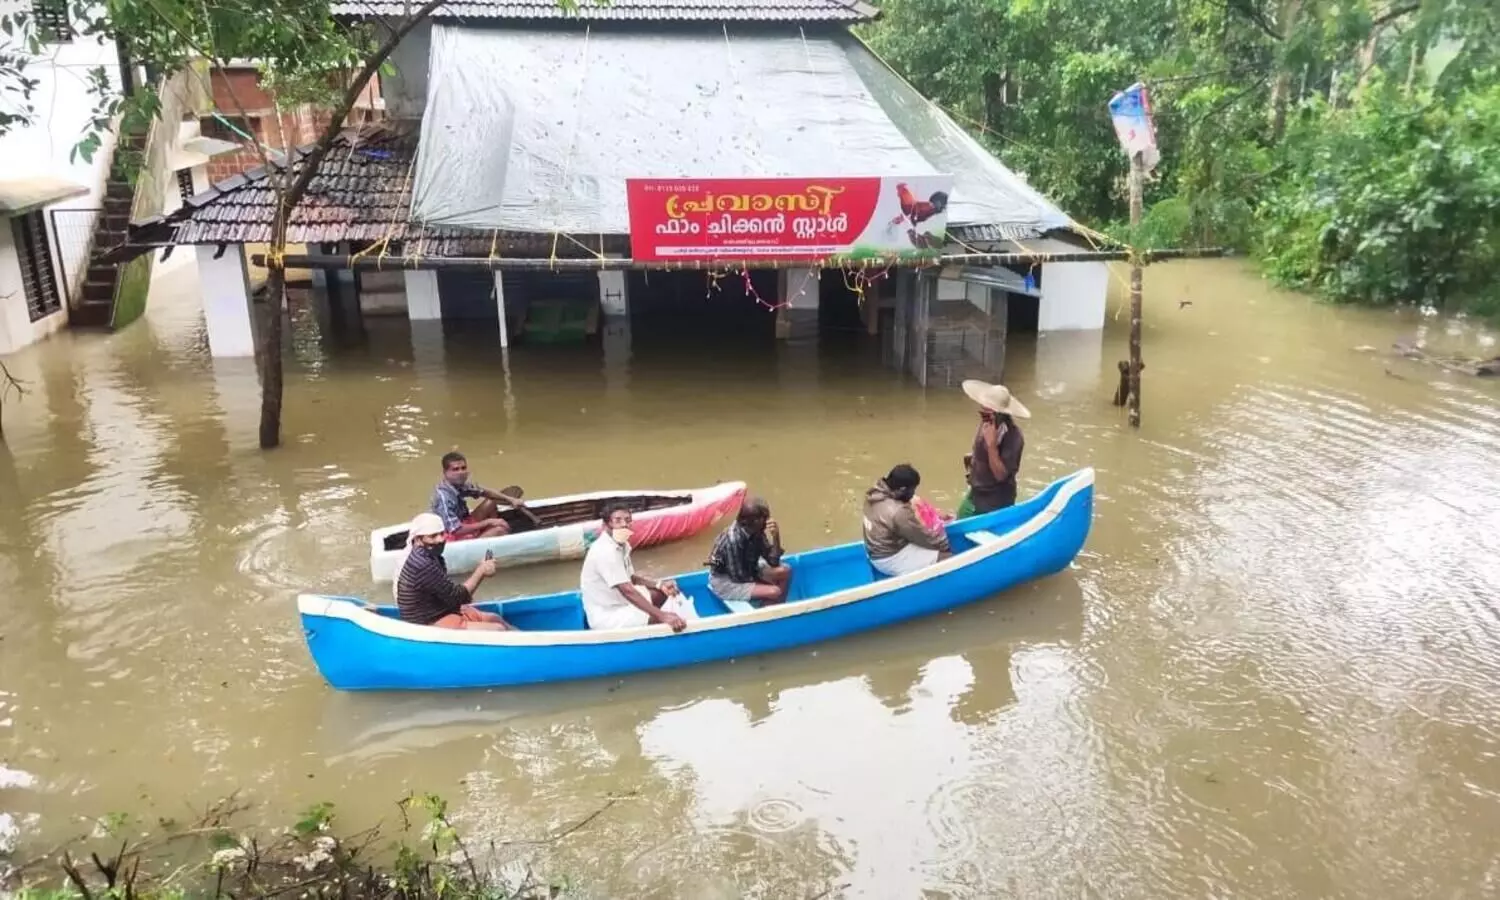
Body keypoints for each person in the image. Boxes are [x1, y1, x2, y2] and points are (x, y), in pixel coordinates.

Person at [579, 504, 689, 632]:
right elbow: (627, 590)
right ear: (605, 525)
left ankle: (650, 625)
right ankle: (651, 629)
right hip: (607, 614)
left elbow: (631, 578)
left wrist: (659, 584)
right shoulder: (605, 551)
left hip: (621, 602)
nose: (624, 524)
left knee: (661, 593)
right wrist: (662, 615)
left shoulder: (622, 545)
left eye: (627, 520)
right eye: (618, 520)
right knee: (661, 621)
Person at [394, 513, 512, 630]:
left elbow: (449, 595)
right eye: (433, 536)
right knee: (497, 629)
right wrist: (481, 571)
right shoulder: (421, 564)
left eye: (441, 533)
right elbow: (457, 597)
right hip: (427, 622)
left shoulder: (431, 555)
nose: (440, 539)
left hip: (440, 610)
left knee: (495, 618)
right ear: (418, 539)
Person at [863, 464, 952, 576]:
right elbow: (921, 537)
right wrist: (943, 545)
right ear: (902, 489)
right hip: (888, 558)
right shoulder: (898, 511)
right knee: (947, 558)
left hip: (873, 552)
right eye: (912, 490)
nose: (913, 494)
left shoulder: (874, 494)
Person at [706, 497, 792, 607]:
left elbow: (773, 562)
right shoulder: (732, 540)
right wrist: (767, 584)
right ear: (754, 521)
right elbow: (739, 577)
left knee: (786, 570)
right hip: (726, 580)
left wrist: (776, 537)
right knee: (774, 591)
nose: (768, 521)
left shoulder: (757, 531)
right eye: (764, 518)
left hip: (749, 567)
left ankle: (774, 608)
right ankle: (766, 613)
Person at [960, 379, 1029, 514]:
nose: (983, 417)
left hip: (995, 499)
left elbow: (1000, 475)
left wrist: (992, 446)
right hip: (976, 490)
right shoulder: (986, 423)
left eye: (987, 415)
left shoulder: (1013, 437)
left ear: (1000, 415)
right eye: (982, 413)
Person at [430, 451, 527, 541]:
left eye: (463, 468)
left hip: (464, 521)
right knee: (500, 530)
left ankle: (489, 532)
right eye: (455, 469)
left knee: (491, 501)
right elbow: (455, 529)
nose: (461, 472)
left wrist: (511, 499)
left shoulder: (459, 484)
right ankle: (491, 534)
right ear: (445, 472)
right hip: (449, 536)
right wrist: (488, 522)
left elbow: (485, 492)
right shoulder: (443, 497)